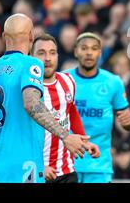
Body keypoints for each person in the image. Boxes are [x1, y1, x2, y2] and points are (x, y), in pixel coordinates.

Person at [0, 14, 89, 183]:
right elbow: (31, 103)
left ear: (4, 37)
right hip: (25, 167)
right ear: (31, 36)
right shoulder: (31, 64)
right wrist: (66, 136)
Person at [66, 32, 130, 183]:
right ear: (75, 51)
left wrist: (129, 121)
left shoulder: (113, 82)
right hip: (66, 164)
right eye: (84, 48)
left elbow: (129, 121)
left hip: (98, 165)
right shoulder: (63, 79)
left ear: (100, 52)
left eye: (94, 48)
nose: (89, 52)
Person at [31, 34, 101, 183]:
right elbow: (16, 134)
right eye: (41, 53)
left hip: (66, 170)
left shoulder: (68, 81)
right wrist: (38, 165)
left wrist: (84, 140)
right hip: (37, 173)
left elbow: (71, 110)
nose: (48, 58)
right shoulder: (27, 91)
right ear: (31, 57)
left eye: (52, 52)